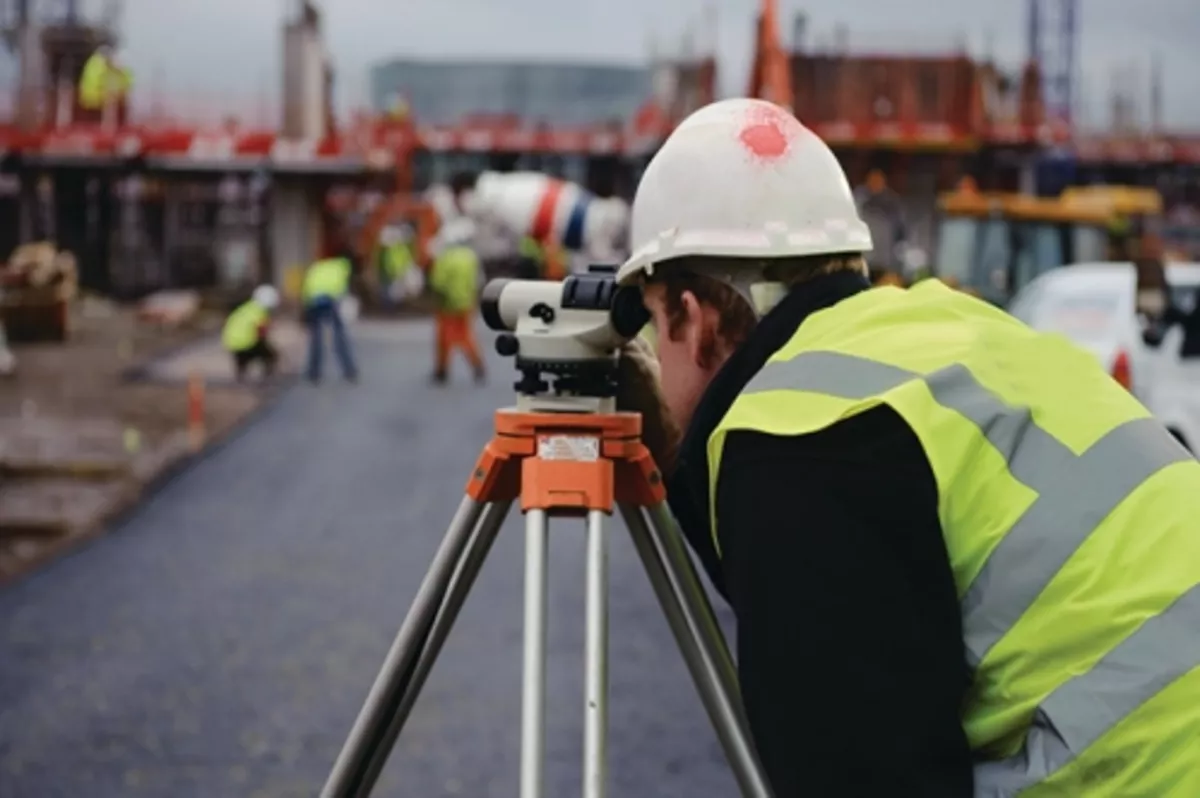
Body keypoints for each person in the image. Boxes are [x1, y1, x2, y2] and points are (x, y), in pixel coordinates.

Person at [612, 98, 1200, 797]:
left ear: (691, 313)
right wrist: (685, 469)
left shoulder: (792, 438)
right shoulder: (945, 331)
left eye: (649, 321)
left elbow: (860, 771)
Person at [428, 218, 486, 385]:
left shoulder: (445, 257)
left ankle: (442, 370)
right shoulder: (471, 257)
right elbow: (478, 281)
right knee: (466, 336)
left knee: (443, 338)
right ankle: (478, 366)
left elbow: (438, 282)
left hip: (447, 305)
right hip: (467, 304)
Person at [301, 246, 358, 384]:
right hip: (330, 301)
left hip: (313, 301)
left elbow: (307, 285)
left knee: (316, 338)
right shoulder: (343, 267)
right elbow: (341, 290)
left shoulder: (320, 266)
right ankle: (349, 370)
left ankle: (314, 373)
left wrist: (305, 306)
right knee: (339, 337)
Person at [222, 284, 280, 382]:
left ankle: (241, 373)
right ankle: (267, 378)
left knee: (244, 356)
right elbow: (261, 331)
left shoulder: (246, 308)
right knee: (270, 355)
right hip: (246, 342)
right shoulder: (260, 311)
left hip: (231, 342)